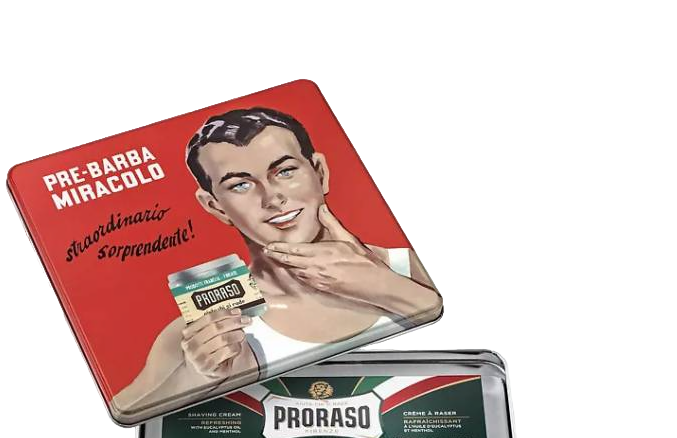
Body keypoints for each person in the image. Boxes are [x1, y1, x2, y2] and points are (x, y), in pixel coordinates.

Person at [113, 108, 442, 421]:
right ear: (215, 206)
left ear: (320, 172)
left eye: (285, 171)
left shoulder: (411, 268)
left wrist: (384, 287)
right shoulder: (201, 331)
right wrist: (195, 378)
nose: (272, 199)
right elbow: (125, 413)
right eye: (240, 185)